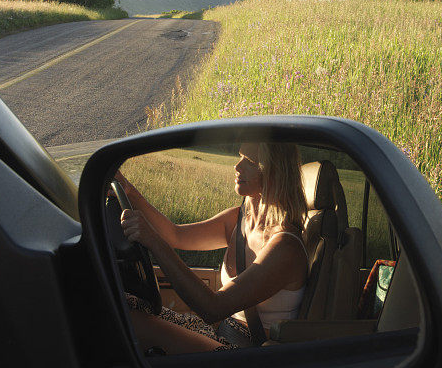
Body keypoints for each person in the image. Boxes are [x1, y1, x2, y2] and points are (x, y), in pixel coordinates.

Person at [117, 142, 309, 353]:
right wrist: (129, 191)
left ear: (275, 172)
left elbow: (212, 308)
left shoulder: (285, 247)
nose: (237, 166)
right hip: (220, 333)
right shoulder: (240, 219)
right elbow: (176, 235)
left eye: (250, 162)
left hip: (249, 357)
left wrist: (153, 241)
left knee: (132, 323)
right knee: (123, 305)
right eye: (240, 156)